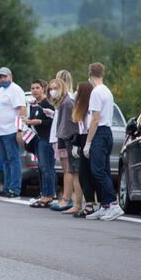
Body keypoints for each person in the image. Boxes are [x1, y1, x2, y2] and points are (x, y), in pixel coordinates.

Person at [83, 63, 123, 221]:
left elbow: (94, 119)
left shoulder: (96, 92)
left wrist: (88, 142)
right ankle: (105, 205)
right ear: (103, 74)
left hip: (99, 133)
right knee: (104, 170)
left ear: (90, 74)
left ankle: (113, 204)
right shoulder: (107, 91)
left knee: (97, 171)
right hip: (108, 132)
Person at [0, 67, 26, 198]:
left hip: (11, 130)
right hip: (0, 131)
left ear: (10, 76)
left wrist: (19, 129)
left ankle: (15, 189)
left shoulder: (15, 90)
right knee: (5, 160)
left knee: (13, 159)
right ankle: (7, 187)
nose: (2, 79)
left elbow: (22, 110)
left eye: (5, 76)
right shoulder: (0, 91)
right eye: (0, 77)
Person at [49, 77, 79, 213]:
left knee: (69, 170)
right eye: (51, 89)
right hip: (62, 137)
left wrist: (67, 140)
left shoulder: (67, 102)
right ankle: (66, 198)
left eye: (55, 88)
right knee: (67, 169)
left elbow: (70, 124)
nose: (52, 91)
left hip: (67, 139)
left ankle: (68, 199)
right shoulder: (62, 103)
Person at [27, 79, 56, 207]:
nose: (34, 90)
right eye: (32, 88)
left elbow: (53, 122)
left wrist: (39, 122)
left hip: (47, 139)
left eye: (37, 88)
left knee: (47, 167)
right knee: (41, 167)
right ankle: (43, 193)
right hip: (38, 139)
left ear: (43, 89)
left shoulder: (47, 103)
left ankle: (49, 195)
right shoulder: (34, 104)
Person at [71, 82, 98, 217]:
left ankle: (93, 204)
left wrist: (87, 143)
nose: (76, 93)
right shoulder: (80, 107)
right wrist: (76, 144)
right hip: (82, 139)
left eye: (77, 90)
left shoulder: (90, 108)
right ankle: (89, 202)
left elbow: (90, 127)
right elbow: (80, 128)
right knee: (83, 174)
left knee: (90, 174)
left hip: (90, 140)